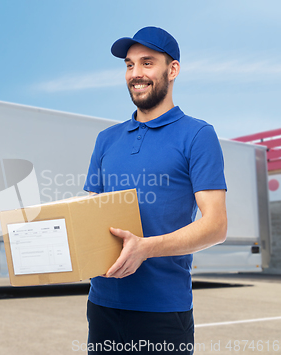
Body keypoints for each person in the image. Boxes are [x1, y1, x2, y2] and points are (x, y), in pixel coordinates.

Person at [83, 26, 228, 354]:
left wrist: (145, 248)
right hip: (102, 305)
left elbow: (216, 225)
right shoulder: (106, 139)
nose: (136, 73)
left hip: (162, 310)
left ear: (172, 69)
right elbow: (90, 212)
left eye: (147, 63)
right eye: (129, 65)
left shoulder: (197, 134)